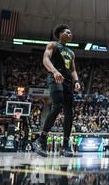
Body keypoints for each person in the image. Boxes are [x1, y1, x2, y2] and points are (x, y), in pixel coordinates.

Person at [33, 24, 82, 157]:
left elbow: (73, 70)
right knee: (57, 106)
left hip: (67, 82)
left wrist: (76, 81)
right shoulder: (53, 45)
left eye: (71, 33)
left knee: (69, 112)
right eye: (68, 32)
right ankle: (41, 140)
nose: (70, 34)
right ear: (60, 34)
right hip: (55, 78)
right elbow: (45, 59)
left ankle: (65, 146)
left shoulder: (72, 52)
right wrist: (54, 71)